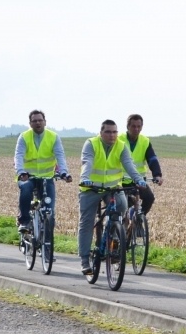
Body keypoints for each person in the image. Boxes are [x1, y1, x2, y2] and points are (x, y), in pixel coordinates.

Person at [78, 119, 146, 275]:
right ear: (101, 132)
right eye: (108, 132)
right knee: (87, 222)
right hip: (91, 187)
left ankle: (114, 237)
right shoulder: (91, 144)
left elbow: (129, 164)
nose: (112, 135)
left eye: (115, 132)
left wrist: (138, 179)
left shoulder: (121, 146)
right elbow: (87, 161)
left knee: (121, 207)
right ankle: (84, 260)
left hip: (113, 188)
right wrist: (85, 177)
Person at [14, 110, 73, 233]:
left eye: (40, 120)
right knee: (25, 190)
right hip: (28, 177)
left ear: (45, 122)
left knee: (49, 209)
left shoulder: (53, 137)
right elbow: (18, 156)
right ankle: (24, 221)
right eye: (34, 121)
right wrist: (20, 172)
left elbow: (60, 156)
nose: (38, 123)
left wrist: (64, 173)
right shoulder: (24, 137)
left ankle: (46, 236)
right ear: (30, 123)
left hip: (46, 178)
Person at [118, 114, 164, 216]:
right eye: (133, 126)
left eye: (139, 126)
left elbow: (152, 159)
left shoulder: (145, 141)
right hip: (121, 181)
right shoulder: (118, 140)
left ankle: (138, 218)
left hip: (138, 181)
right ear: (128, 126)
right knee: (123, 205)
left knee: (149, 198)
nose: (136, 129)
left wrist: (157, 174)